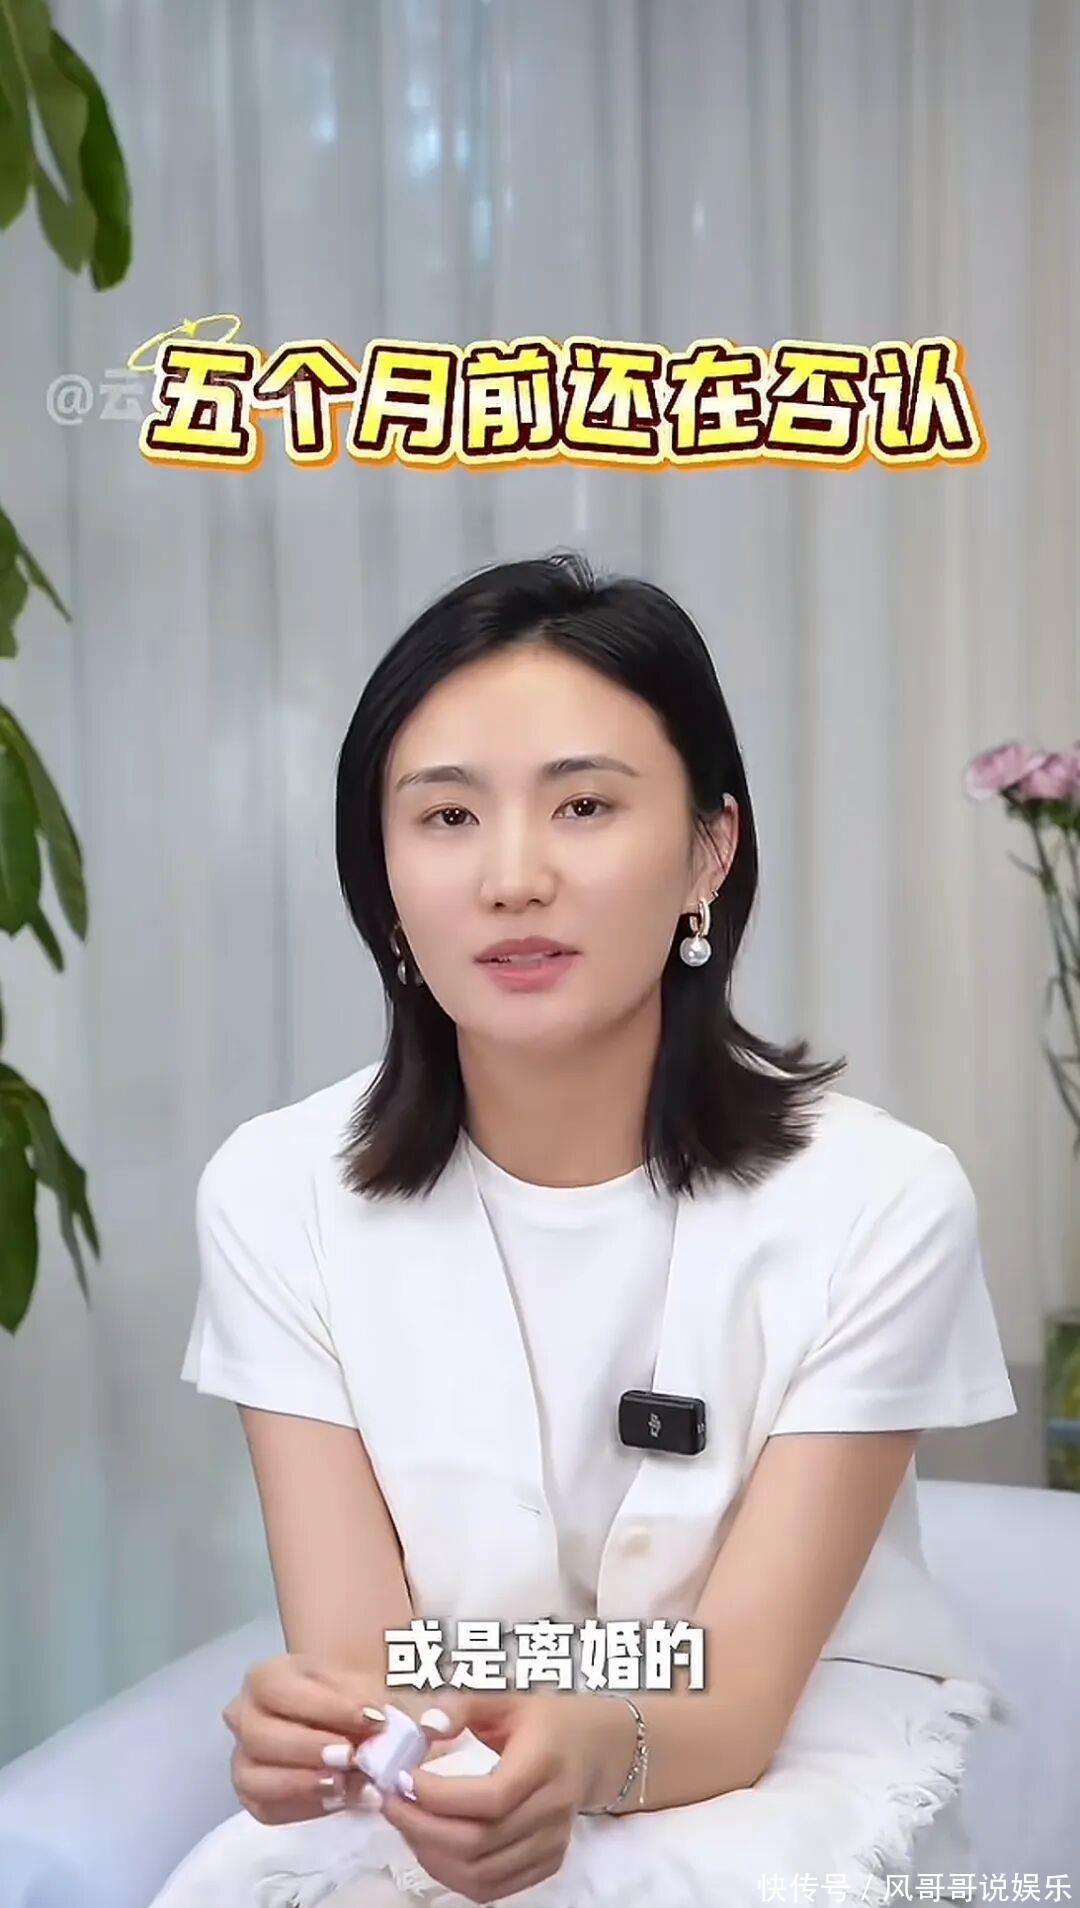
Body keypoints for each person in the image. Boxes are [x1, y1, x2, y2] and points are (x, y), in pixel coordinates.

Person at [154, 552, 1019, 1908]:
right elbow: (374, 1666)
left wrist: (578, 1742)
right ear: (382, 874)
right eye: (447, 816)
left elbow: (736, 1700)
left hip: (784, 1783)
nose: (513, 878)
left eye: (584, 806)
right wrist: (324, 1738)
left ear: (709, 850)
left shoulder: (882, 1201)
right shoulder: (274, 1192)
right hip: (452, 1781)